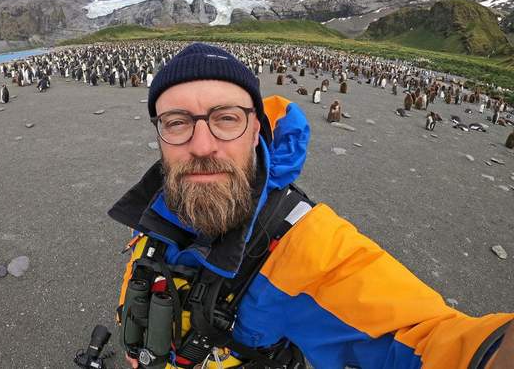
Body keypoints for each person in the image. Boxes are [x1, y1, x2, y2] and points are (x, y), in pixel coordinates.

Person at [109, 43, 513, 369]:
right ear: (160, 136)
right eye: (177, 122)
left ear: (256, 132)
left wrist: (491, 353)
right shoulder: (158, 204)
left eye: (226, 119)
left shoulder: (308, 246)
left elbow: (425, 339)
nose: (201, 145)